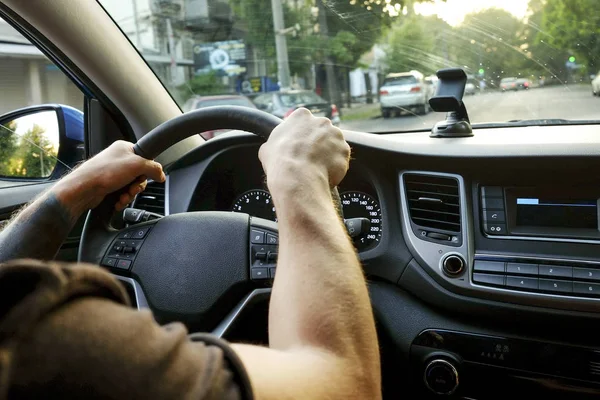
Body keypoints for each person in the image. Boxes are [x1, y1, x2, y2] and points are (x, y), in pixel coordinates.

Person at [0, 109, 381, 400]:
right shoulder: (44, 346)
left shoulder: (17, 325)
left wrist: (76, 188)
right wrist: (300, 175)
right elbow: (344, 384)